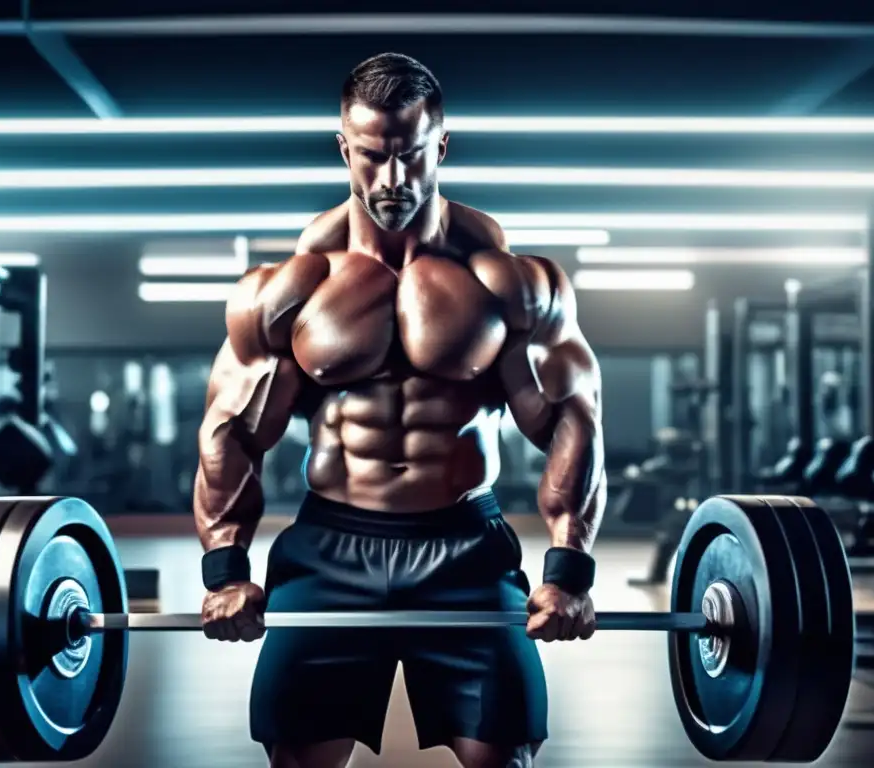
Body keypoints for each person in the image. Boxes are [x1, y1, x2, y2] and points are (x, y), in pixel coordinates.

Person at [195, 52, 606, 768]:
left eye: (412, 155)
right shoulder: (293, 287)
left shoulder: (506, 280)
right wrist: (227, 569)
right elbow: (232, 429)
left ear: (439, 145)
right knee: (298, 758)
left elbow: (571, 413)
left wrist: (569, 569)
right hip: (329, 549)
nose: (393, 179)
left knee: (503, 754)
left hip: (465, 554)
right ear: (344, 148)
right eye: (373, 157)